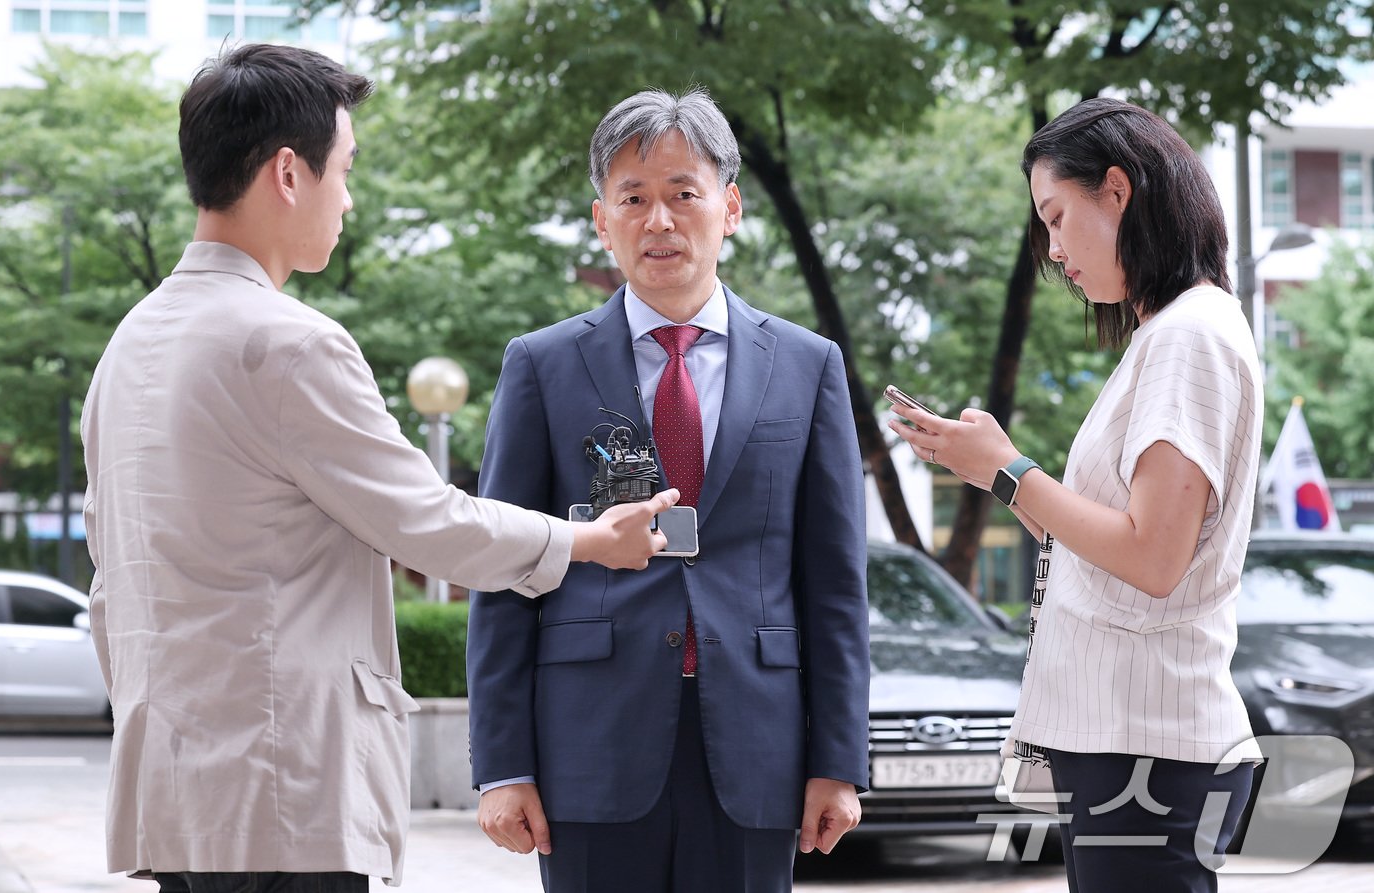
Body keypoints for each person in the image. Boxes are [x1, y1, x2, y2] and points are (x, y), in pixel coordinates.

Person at [80, 43, 677, 893]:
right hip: (284, 788)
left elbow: (111, 582)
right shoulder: (287, 342)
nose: (348, 198)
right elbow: (429, 521)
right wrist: (588, 540)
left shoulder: (128, 345)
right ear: (290, 172)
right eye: (345, 169)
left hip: (177, 791)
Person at [465, 87, 870, 893]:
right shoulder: (542, 366)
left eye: (683, 194)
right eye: (634, 198)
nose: (660, 221)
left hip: (756, 746)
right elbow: (505, 568)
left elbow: (833, 584)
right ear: (600, 219)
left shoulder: (807, 364)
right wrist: (501, 763)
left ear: (730, 206)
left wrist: (838, 760)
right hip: (589, 745)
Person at [891, 97, 1262, 892]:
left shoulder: (1187, 335)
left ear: (1118, 192)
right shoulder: (1175, 331)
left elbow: (1153, 556)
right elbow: (1112, 541)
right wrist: (992, 468)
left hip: (1148, 741)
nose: (1054, 250)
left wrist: (1012, 467)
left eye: (1058, 218)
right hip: (1135, 737)